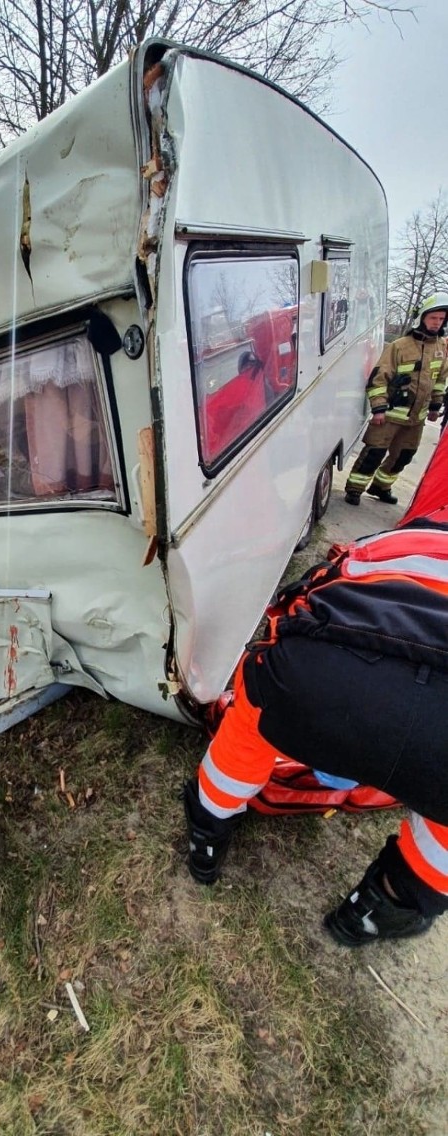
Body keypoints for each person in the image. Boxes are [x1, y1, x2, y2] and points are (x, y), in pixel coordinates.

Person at [182, 512, 448, 947]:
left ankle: (207, 836)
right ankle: (374, 911)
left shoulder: (406, 539)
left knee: (251, 719)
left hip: (327, 678)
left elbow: (306, 594)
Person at [344, 293, 448, 506]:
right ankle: (354, 489)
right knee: (374, 453)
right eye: (433, 318)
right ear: (422, 318)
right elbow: (378, 379)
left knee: (404, 456)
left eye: (441, 319)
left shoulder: (441, 348)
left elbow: (440, 380)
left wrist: (435, 406)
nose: (437, 323)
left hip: (416, 419)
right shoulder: (399, 346)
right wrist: (379, 408)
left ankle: (381, 487)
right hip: (390, 415)